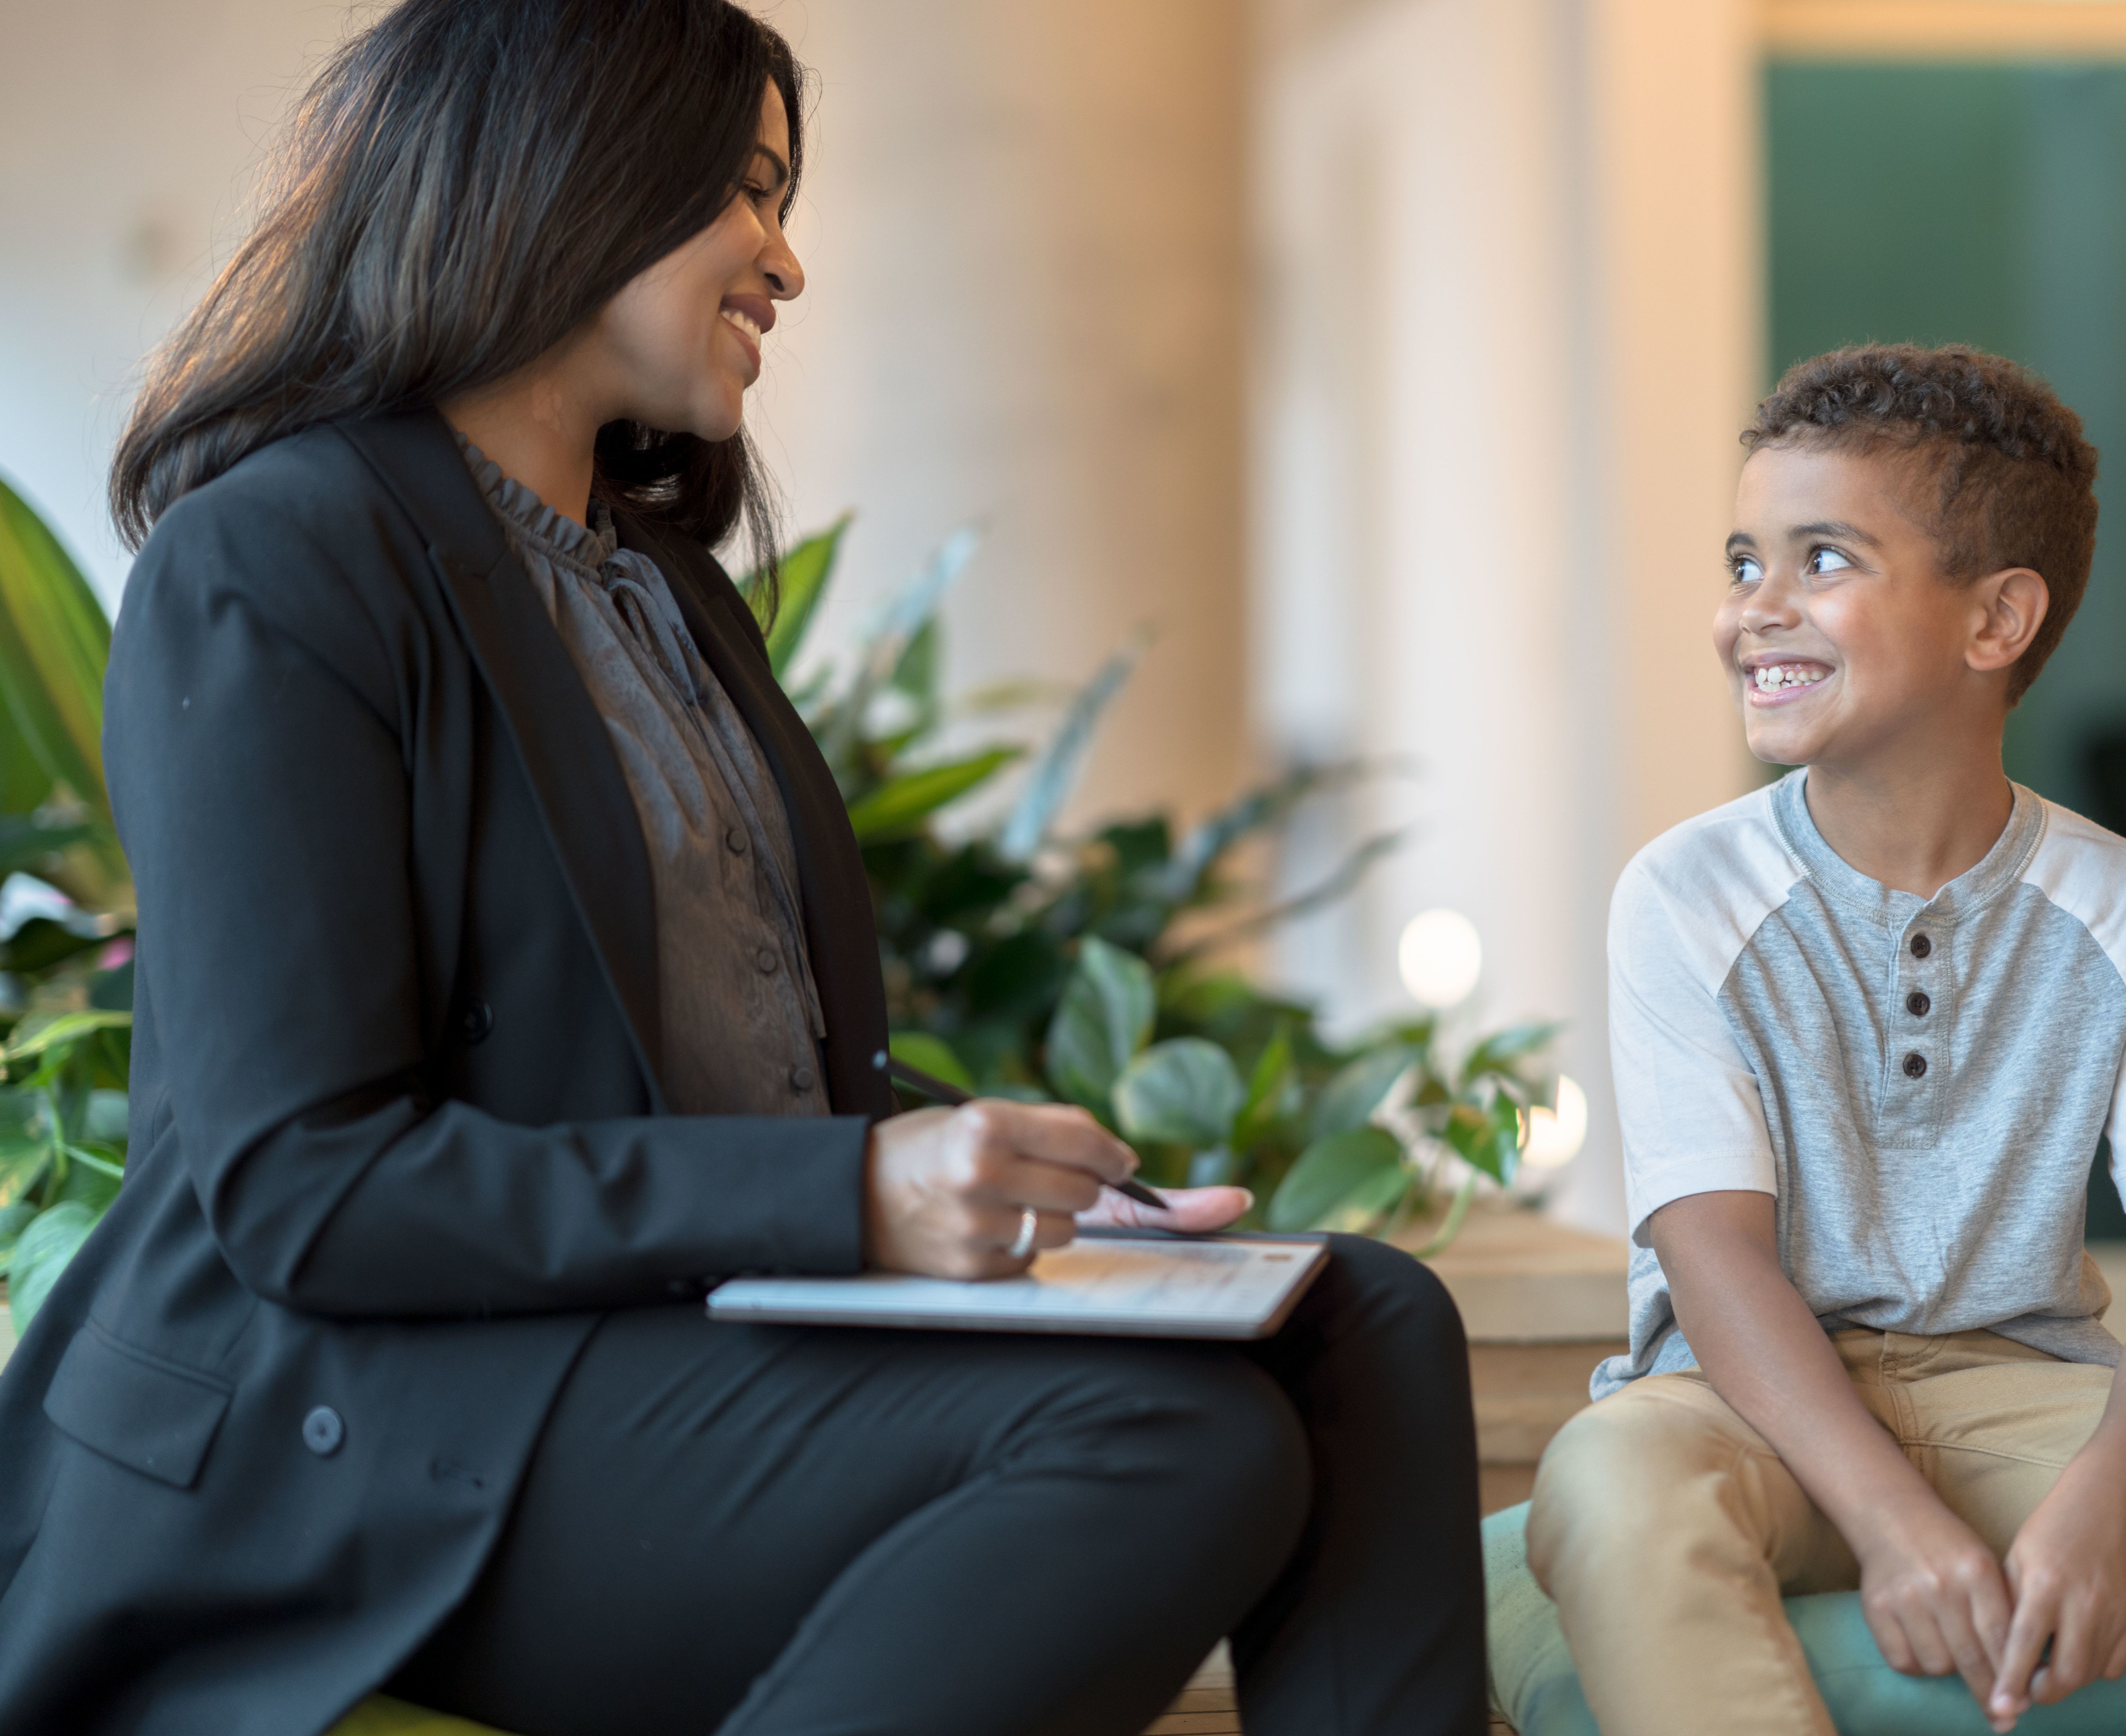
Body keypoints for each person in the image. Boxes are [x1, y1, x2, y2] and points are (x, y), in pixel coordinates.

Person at [0, 4, 1487, 1733]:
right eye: (750, 195)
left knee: (1365, 1314)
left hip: (630, 1342)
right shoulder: (273, 557)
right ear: (576, 174)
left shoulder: (657, 588)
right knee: (1168, 1438)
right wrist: (857, 1197)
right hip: (356, 1420)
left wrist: (1025, 1180)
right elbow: (307, 1186)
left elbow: (726, 1061)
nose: (785, 261)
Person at [1524, 344, 2126, 1736]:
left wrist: (2106, 1507)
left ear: (1994, 622)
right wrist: (1893, 1529)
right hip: (1744, 1415)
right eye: (1744, 563)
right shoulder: (1685, 894)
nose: (1757, 610)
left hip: (2027, 1403)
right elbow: (1709, 1251)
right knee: (1604, 1483)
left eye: (1821, 561)